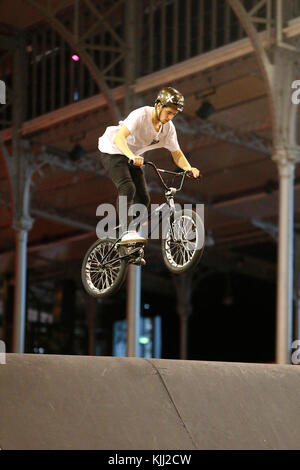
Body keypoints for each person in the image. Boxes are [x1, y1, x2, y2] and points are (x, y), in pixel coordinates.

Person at [98, 86, 200, 255]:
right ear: (158, 105)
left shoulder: (168, 129)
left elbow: (177, 153)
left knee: (143, 198)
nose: (170, 117)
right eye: (169, 112)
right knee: (128, 187)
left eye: (174, 114)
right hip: (112, 149)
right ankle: (125, 233)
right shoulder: (141, 115)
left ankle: (129, 243)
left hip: (133, 156)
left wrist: (189, 168)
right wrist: (131, 156)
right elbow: (119, 138)